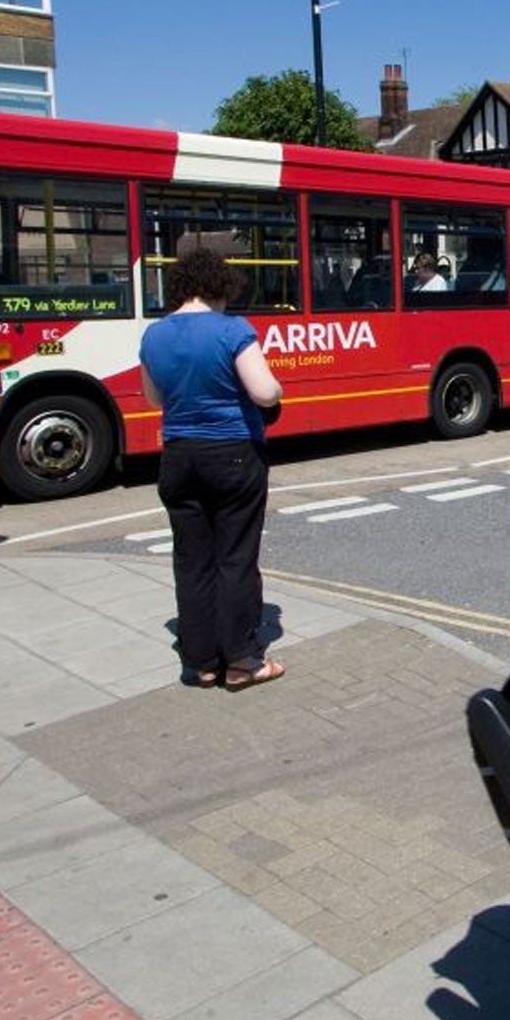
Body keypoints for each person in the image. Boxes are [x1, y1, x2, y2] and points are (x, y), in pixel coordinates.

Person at [139, 245, 285, 691]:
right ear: (221, 286)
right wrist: (276, 385)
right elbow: (264, 392)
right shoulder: (231, 330)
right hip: (232, 454)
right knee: (235, 556)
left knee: (192, 559)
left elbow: (153, 399)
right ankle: (242, 660)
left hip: (179, 456)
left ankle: (200, 662)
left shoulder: (155, 335)